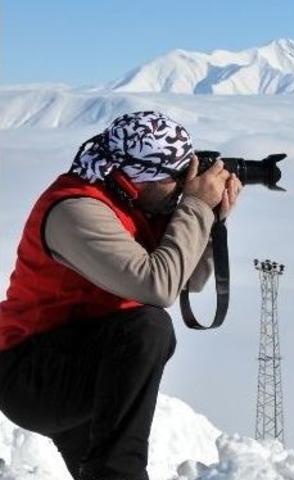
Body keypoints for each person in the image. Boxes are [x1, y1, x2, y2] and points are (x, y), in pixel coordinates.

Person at [0, 111, 242, 480]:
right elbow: (157, 287)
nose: (184, 185)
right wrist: (193, 207)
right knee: (148, 327)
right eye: (176, 177)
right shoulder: (76, 210)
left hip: (79, 356)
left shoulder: (133, 202)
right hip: (29, 373)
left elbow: (185, 280)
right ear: (139, 175)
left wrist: (209, 219)